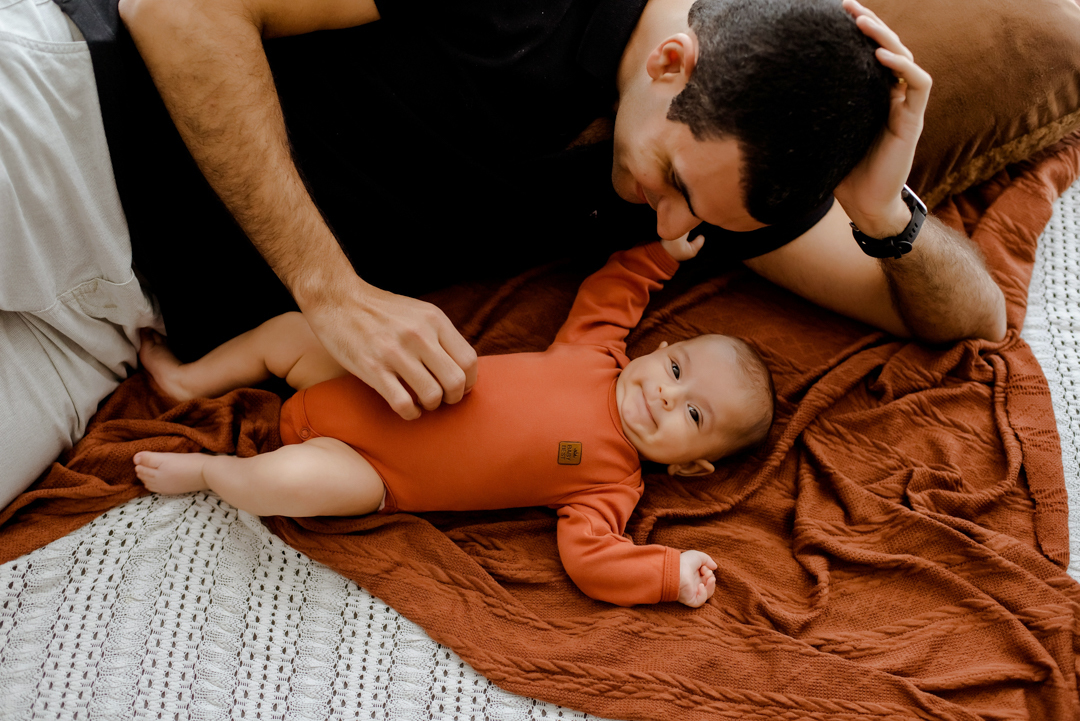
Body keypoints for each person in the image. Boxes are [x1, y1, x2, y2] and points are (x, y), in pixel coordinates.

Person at [0, 0, 1006, 507]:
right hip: (64, 139)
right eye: (673, 183)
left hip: (110, 329)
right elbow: (179, 7)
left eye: (699, 220)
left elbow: (971, 318)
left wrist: (884, 208)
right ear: (672, 63)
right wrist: (331, 289)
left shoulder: (724, 173)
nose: (670, 230)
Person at [131, 235, 773, 607]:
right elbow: (614, 292)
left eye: (693, 413)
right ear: (661, 349)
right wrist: (662, 253)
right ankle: (188, 380)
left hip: (373, 472)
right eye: (677, 370)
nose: (665, 395)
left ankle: (211, 474)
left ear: (691, 466)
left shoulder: (610, 484)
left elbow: (592, 560)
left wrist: (666, 575)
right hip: (368, 381)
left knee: (281, 483)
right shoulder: (596, 353)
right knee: (291, 333)